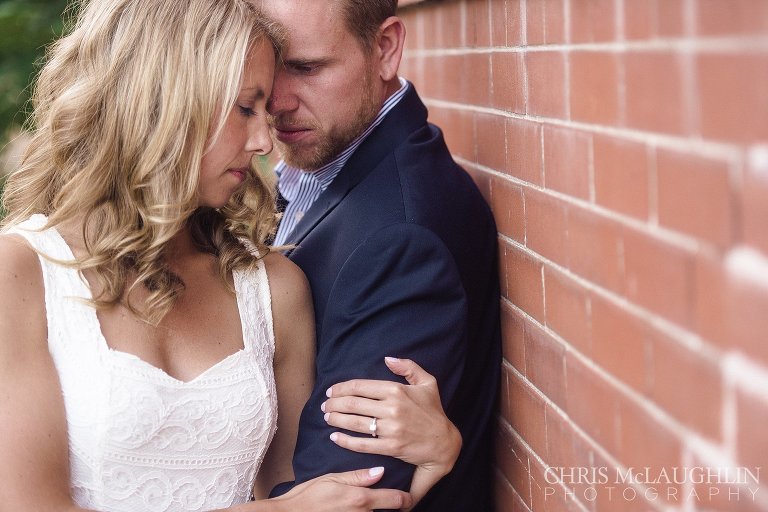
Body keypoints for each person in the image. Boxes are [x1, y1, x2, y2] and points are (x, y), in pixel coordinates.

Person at [0, 0, 458, 511]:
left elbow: (312, 492)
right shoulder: (21, 274)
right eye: (246, 108)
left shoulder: (274, 287)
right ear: (161, 100)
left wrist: (432, 457)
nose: (265, 140)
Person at [259, 1, 502, 510]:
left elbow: (346, 492)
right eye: (265, 65)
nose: (276, 100)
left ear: (385, 49)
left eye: (306, 67)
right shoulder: (316, 169)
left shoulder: (402, 238)